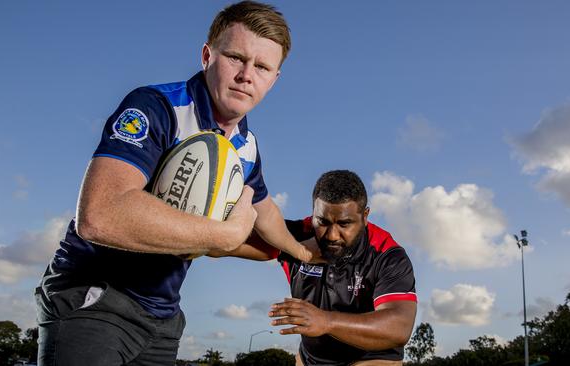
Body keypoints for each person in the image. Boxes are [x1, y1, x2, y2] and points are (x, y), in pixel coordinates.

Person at [34, 2, 311, 365]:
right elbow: (100, 215)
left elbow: (264, 211)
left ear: (274, 80)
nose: (247, 75)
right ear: (207, 55)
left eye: (262, 67)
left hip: (163, 317)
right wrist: (221, 235)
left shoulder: (247, 144)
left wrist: (304, 252)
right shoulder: (157, 107)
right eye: (235, 58)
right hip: (96, 298)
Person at [211, 170, 417, 365]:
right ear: (313, 214)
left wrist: (326, 321)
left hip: (370, 358)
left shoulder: (387, 254)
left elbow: (399, 328)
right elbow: (219, 245)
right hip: (310, 359)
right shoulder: (295, 235)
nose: (332, 235)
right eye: (323, 222)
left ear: (365, 217)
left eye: (344, 224)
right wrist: (296, 248)